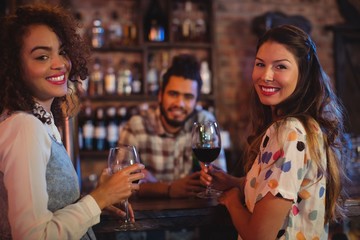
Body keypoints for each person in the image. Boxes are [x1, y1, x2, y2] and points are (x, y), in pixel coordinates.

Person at [0, 4, 144, 240]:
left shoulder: (41, 124)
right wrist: (99, 199)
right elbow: (32, 236)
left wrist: (95, 199)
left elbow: (51, 212)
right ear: (15, 69)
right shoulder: (24, 127)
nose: (60, 64)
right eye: (42, 56)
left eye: (63, 52)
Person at [200, 24, 348, 239]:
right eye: (260, 64)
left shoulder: (289, 132)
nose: (266, 75)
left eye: (280, 67)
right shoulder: (307, 126)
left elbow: (260, 236)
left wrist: (232, 200)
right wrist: (236, 183)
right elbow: (288, 187)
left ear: (303, 75)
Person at [118, 54, 227, 198]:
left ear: (196, 101)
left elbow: (220, 180)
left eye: (188, 97)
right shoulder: (137, 126)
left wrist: (209, 177)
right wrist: (168, 189)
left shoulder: (204, 121)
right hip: (150, 218)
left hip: (198, 214)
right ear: (160, 95)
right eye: (173, 94)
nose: (179, 104)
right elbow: (120, 186)